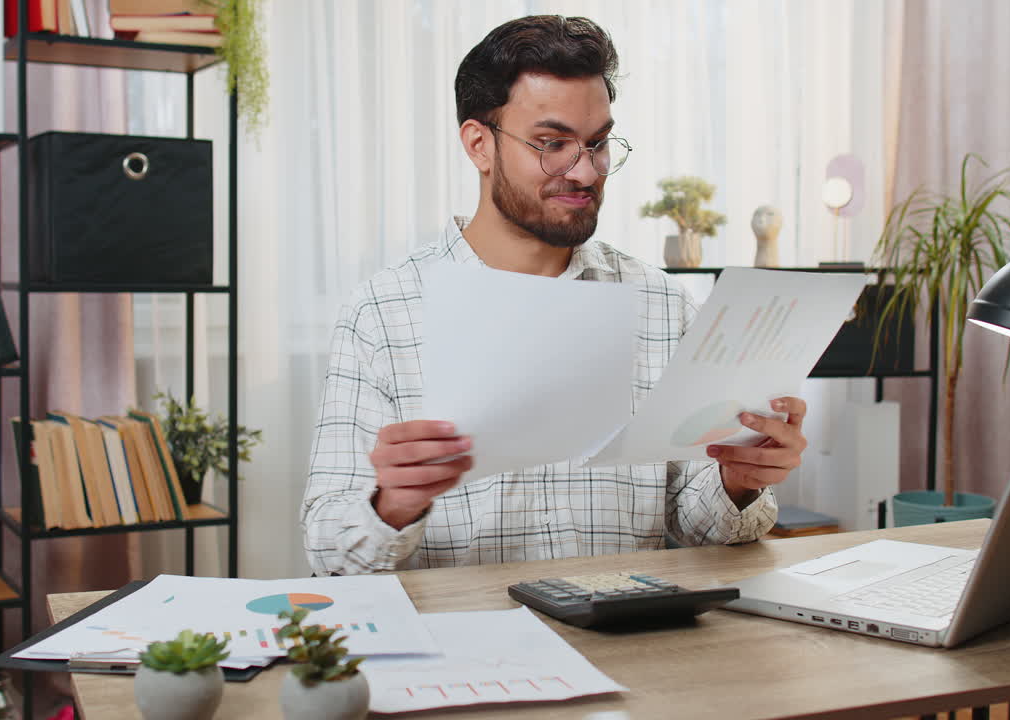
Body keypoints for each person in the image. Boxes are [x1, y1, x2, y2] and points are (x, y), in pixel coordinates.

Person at [302, 15, 807, 576]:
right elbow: (329, 553)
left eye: (597, 144)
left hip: (628, 645)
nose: (586, 171)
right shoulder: (382, 314)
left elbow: (693, 526)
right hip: (464, 647)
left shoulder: (664, 305)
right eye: (552, 144)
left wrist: (736, 481)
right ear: (478, 144)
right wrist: (393, 505)